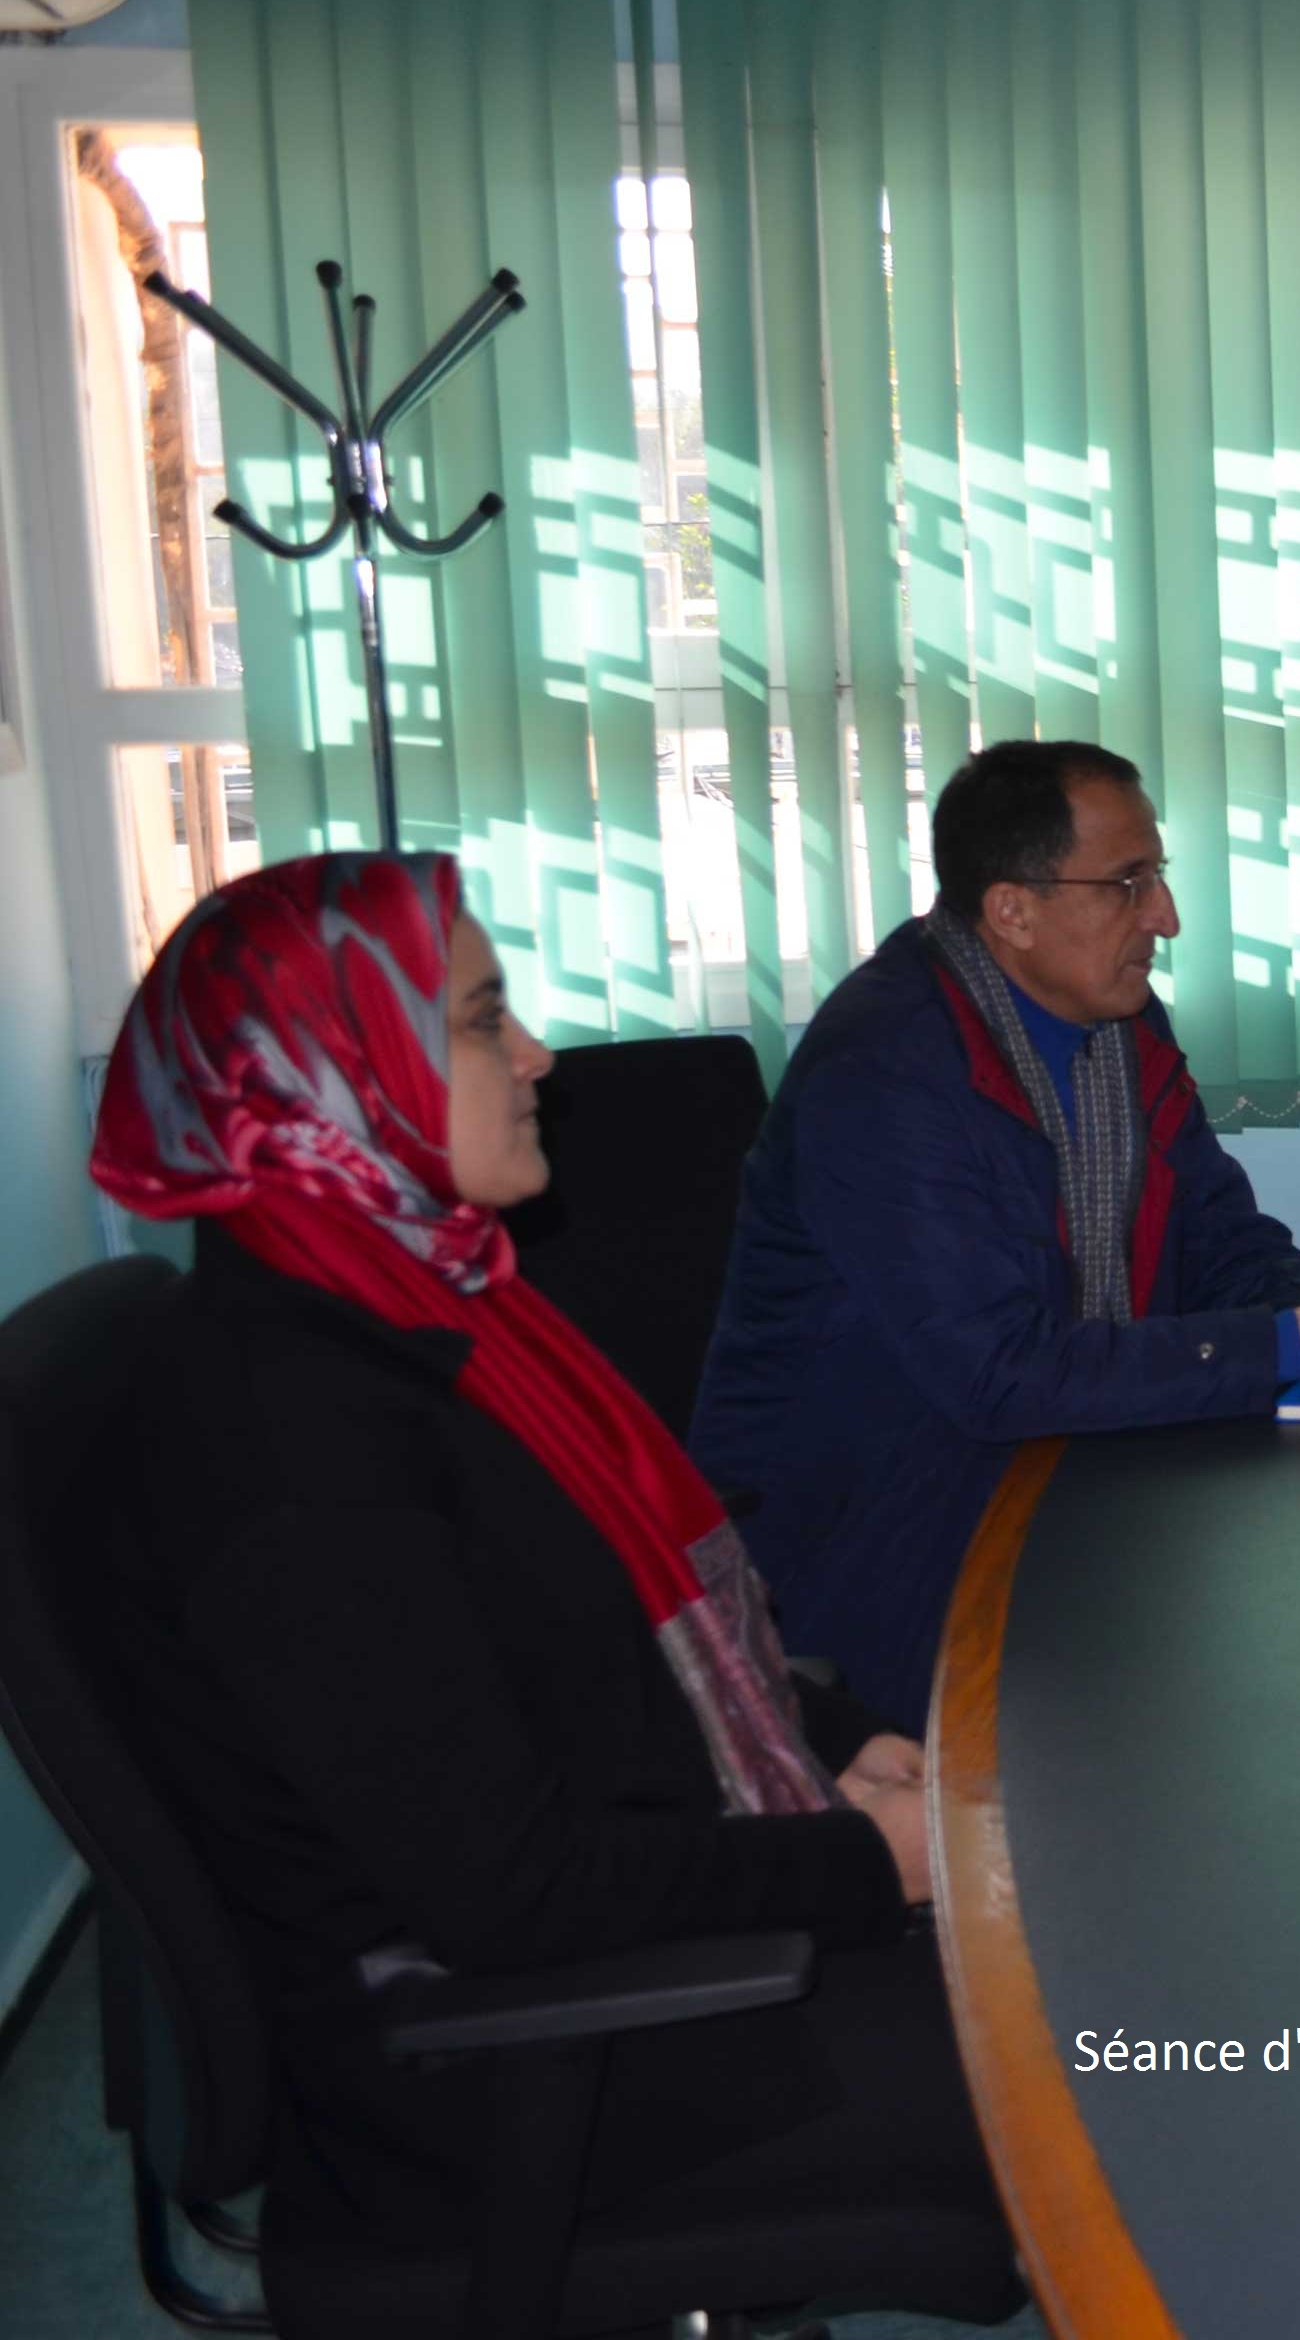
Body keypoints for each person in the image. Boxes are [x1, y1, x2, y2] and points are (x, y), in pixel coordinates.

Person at [84, 855, 1012, 2277]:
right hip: (543, 2072)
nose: (538, 1056)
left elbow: (615, 1635)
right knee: (1114, 2056)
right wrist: (856, 1864)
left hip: (626, 1944)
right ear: (327, 1081)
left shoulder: (437, 1315)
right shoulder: (284, 1442)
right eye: (478, 1020)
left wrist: (840, 1740)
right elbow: (511, 1894)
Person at [693, 740, 1300, 1722]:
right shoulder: (885, 1071)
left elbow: (1214, 1227)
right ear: (1012, 909)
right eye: (1129, 885)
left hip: (1066, 1463)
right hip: (874, 1523)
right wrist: (1293, 1341)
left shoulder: (1123, 1023)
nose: (1166, 918)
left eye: (1159, 878)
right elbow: (997, 1372)